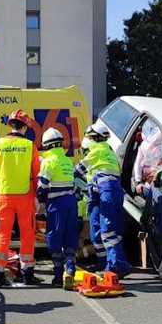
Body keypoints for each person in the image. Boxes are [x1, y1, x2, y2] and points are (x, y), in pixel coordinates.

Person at [0, 110, 41, 287]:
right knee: (28, 234)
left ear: (10, 125)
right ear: (24, 127)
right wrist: (37, 197)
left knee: (2, 236)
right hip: (25, 197)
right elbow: (36, 174)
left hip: (3, 197)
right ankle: (27, 273)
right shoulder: (30, 146)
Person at [76, 123, 130, 277]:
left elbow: (79, 169)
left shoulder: (99, 149)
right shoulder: (106, 152)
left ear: (95, 138)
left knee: (108, 231)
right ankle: (103, 264)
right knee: (96, 232)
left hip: (107, 191)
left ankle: (116, 267)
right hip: (98, 193)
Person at [37, 127, 80, 290]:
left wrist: (40, 204)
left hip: (56, 205)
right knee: (70, 237)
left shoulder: (48, 162)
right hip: (71, 203)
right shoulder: (68, 161)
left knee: (54, 238)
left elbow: (42, 187)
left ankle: (57, 275)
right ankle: (70, 268)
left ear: (46, 145)